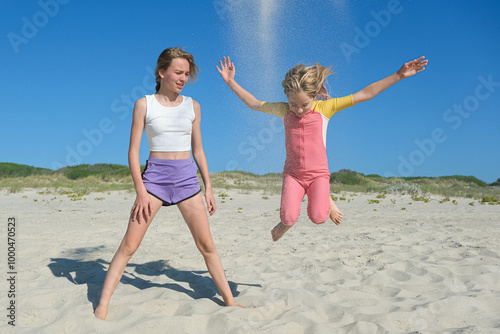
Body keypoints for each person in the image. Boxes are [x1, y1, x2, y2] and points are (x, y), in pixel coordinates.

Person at [95, 47, 242, 320]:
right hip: (154, 181)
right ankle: (102, 306)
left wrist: (208, 187)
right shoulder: (144, 104)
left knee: (207, 245)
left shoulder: (193, 106)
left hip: (187, 180)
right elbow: (132, 151)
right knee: (129, 246)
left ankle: (230, 301)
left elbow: (198, 150)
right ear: (161, 72)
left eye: (186, 73)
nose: (183, 78)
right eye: (178, 72)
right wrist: (140, 190)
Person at [217, 55, 428, 242]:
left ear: (315, 95)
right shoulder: (283, 110)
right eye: (293, 104)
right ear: (287, 98)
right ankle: (287, 223)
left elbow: (365, 94)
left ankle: (327, 199)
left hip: (318, 174)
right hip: (293, 175)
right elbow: (254, 103)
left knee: (318, 217)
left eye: (304, 105)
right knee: (288, 217)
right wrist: (230, 82)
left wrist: (398, 75)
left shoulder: (325, 108)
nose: (298, 110)